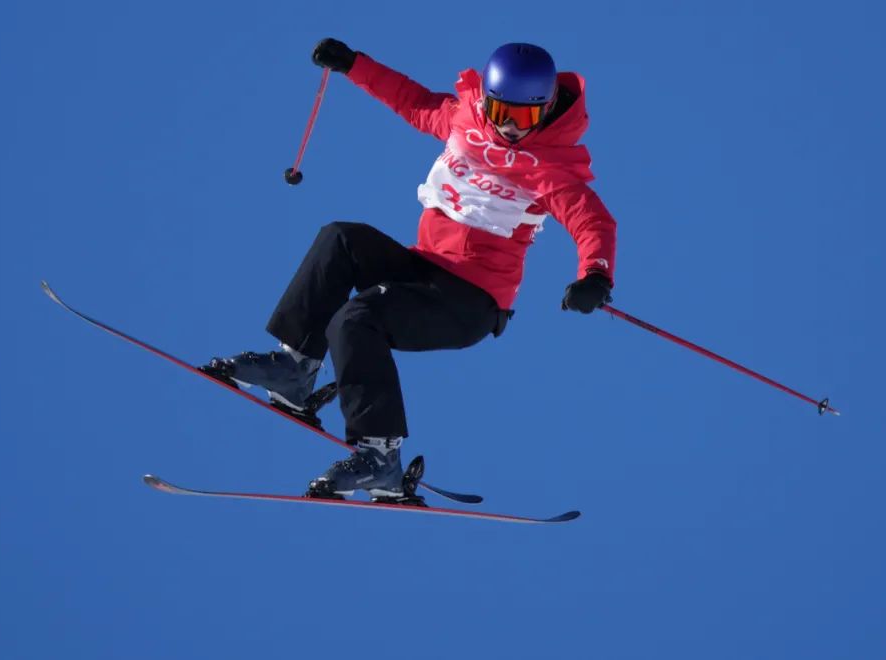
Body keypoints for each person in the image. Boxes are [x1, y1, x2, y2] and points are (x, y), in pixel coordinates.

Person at [201, 39, 618, 502]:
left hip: (470, 300)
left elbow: (591, 220)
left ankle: (380, 457)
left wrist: (595, 276)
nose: (506, 127)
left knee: (357, 318)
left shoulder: (553, 167)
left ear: (542, 111)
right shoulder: (467, 120)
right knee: (341, 238)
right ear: (486, 100)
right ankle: (294, 369)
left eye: (520, 119)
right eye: (499, 111)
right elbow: (415, 101)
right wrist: (354, 66)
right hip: (423, 267)